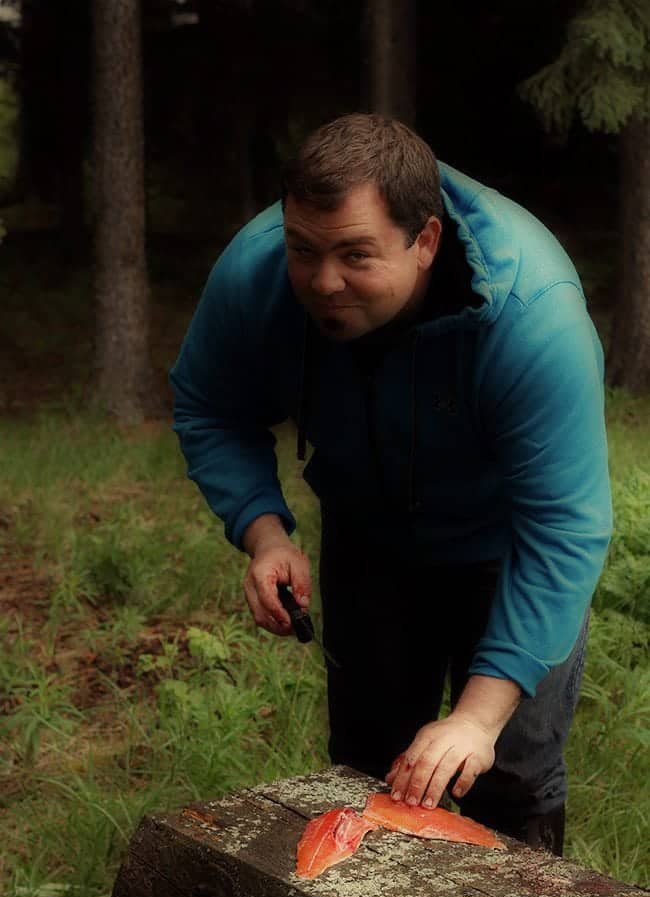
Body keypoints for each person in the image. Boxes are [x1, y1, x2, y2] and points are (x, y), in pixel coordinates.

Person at [169, 113, 612, 855]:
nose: (322, 281)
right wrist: (265, 531)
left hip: (508, 552)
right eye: (304, 250)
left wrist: (476, 716)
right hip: (368, 533)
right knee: (369, 766)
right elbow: (209, 404)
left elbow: (563, 527)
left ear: (426, 241)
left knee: (505, 771)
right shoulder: (256, 273)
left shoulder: (531, 314)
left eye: (355, 255)